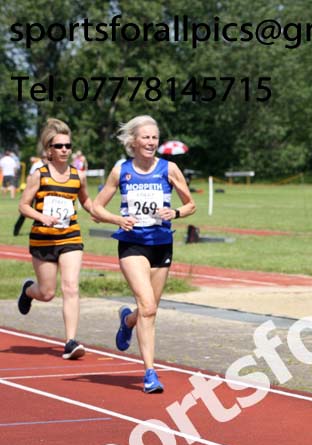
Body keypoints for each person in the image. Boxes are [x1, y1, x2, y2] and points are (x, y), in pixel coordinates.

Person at [92, 115, 196, 394]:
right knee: (148, 305)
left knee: (149, 309)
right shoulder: (121, 171)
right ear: (133, 141)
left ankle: (127, 321)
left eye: (154, 137)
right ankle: (150, 372)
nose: (151, 142)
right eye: (145, 137)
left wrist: (174, 212)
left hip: (161, 244)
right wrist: (118, 220)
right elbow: (96, 208)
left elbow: (190, 205)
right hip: (132, 244)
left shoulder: (169, 169)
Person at [17, 119, 94, 359]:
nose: (64, 150)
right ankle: (29, 291)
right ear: (49, 149)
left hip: (70, 236)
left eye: (67, 146)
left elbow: (87, 201)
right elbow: (23, 206)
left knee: (70, 286)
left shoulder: (77, 176)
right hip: (43, 240)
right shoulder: (39, 175)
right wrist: (42, 216)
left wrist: (99, 214)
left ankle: (70, 341)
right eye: (58, 146)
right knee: (47, 293)